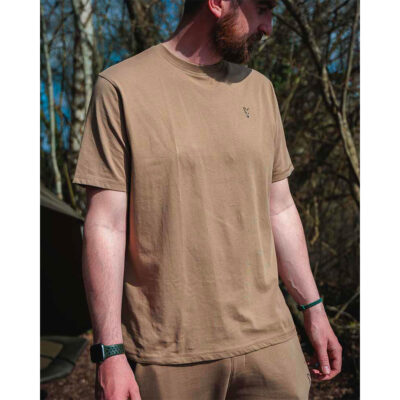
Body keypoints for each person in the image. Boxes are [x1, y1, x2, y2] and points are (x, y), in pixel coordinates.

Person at [73, 0, 342, 399]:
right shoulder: (121, 88)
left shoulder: (260, 91)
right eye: (262, 9)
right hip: (166, 358)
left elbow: (280, 207)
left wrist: (314, 309)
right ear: (217, 3)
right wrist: (109, 352)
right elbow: (105, 224)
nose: (268, 27)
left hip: (271, 350)